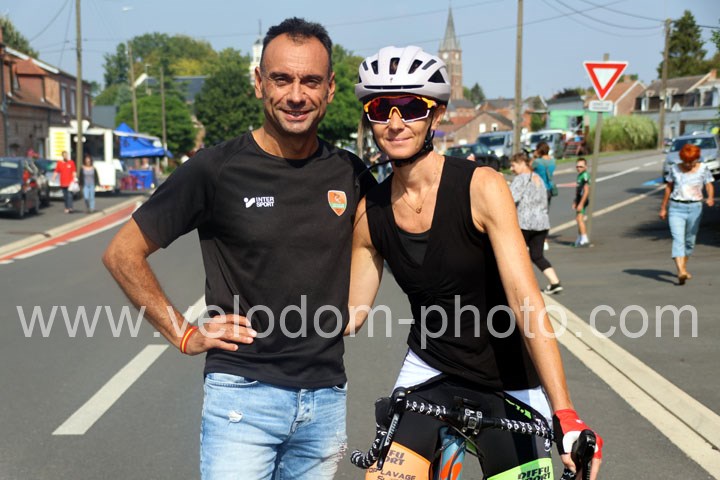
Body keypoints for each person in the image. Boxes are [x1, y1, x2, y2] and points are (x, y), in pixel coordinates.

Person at [103, 17, 374, 480]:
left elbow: (384, 238)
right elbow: (122, 253)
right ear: (258, 83)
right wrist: (183, 334)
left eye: (310, 81)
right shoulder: (215, 169)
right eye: (281, 79)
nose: (296, 95)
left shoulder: (349, 172)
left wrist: (362, 304)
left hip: (325, 399)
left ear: (330, 89)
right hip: (243, 397)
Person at [348, 46, 602, 480]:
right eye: (380, 108)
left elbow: (525, 299)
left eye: (411, 107)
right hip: (430, 370)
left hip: (509, 380)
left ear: (436, 115)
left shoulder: (482, 187)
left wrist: (565, 412)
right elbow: (349, 314)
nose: (395, 122)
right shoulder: (370, 212)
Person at [659, 143, 714, 285]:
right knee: (678, 240)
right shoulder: (674, 169)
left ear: (697, 158)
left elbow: (708, 184)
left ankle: (683, 267)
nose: (689, 164)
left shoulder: (703, 168)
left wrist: (710, 197)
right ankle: (681, 272)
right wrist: (663, 208)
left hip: (695, 208)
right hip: (676, 207)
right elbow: (668, 188)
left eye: (692, 161)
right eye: (686, 161)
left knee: (690, 241)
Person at [509, 151, 563, 294]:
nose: (511, 169)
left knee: (517, 255)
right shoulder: (538, 177)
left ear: (522, 163)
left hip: (525, 223)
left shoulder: (520, 179)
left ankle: (521, 286)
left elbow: (509, 198)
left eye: (513, 165)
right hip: (542, 223)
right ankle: (555, 282)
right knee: (537, 255)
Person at [573, 158, 591, 247]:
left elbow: (586, 191)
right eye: (577, 166)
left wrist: (581, 203)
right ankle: (579, 238)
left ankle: (584, 238)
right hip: (579, 199)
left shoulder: (585, 176)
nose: (579, 168)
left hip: (583, 200)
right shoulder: (579, 176)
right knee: (578, 218)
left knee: (580, 219)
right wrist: (575, 201)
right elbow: (578, 190)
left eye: (581, 166)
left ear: (585, 167)